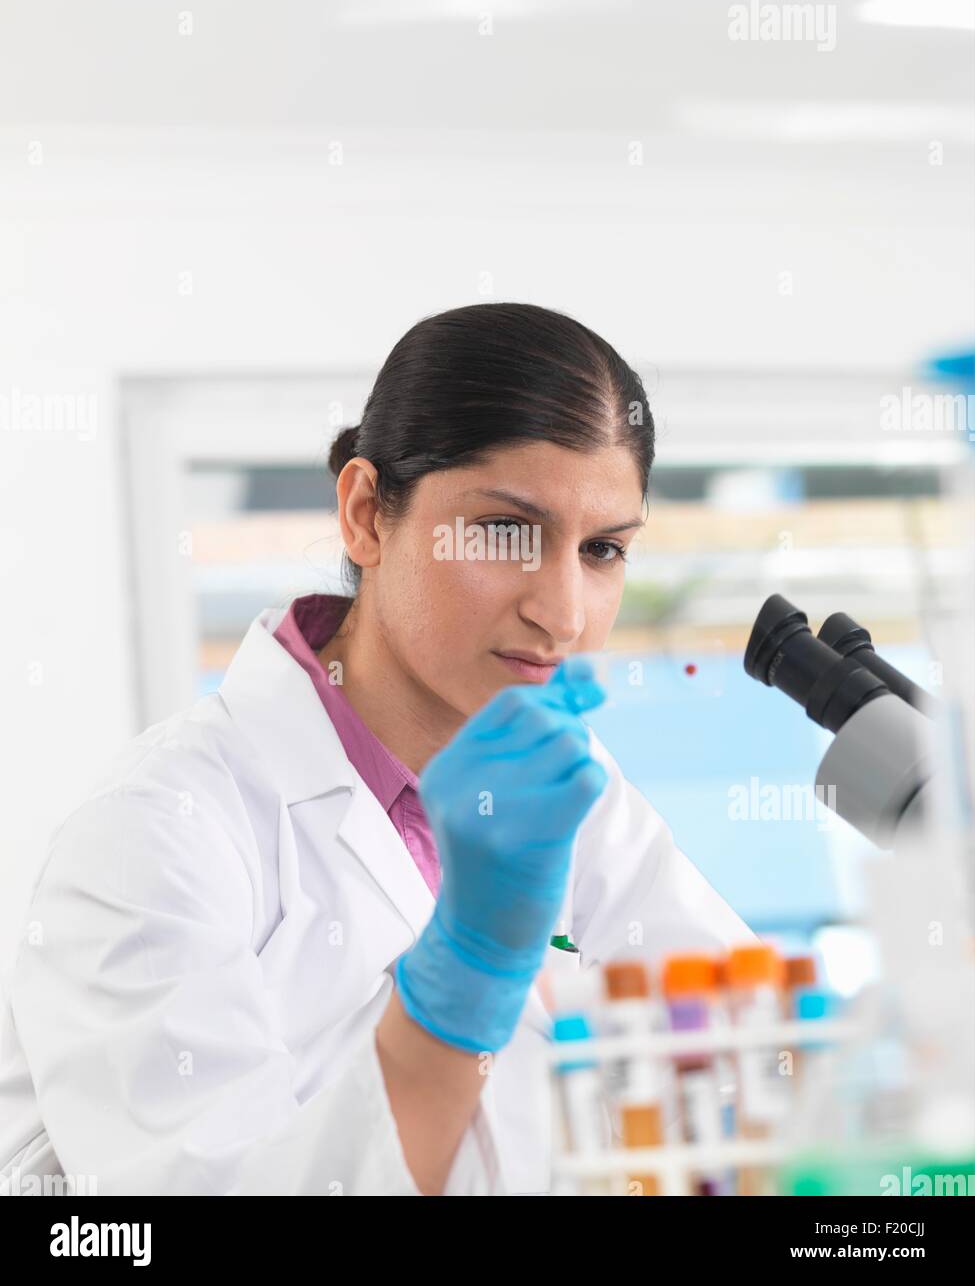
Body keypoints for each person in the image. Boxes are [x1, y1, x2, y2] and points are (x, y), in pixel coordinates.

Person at [0, 302, 754, 1197]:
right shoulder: (156, 836)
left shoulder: (571, 798)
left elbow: (753, 1067)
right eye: (506, 532)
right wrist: (463, 981)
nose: (563, 611)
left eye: (600, 550)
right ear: (365, 514)